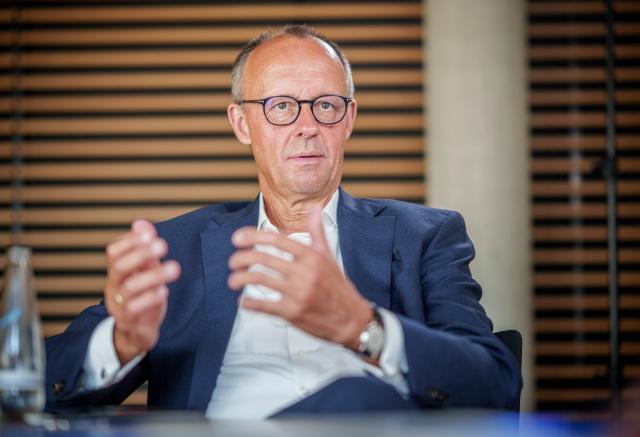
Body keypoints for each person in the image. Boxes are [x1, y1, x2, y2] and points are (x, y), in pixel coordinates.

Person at [45, 25, 521, 419]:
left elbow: (493, 383)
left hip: (364, 425)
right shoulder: (178, 248)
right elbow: (39, 379)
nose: (307, 125)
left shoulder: (424, 237)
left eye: (326, 105)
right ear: (241, 124)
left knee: (361, 397)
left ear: (349, 119)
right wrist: (122, 341)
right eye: (281, 106)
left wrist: (363, 326)